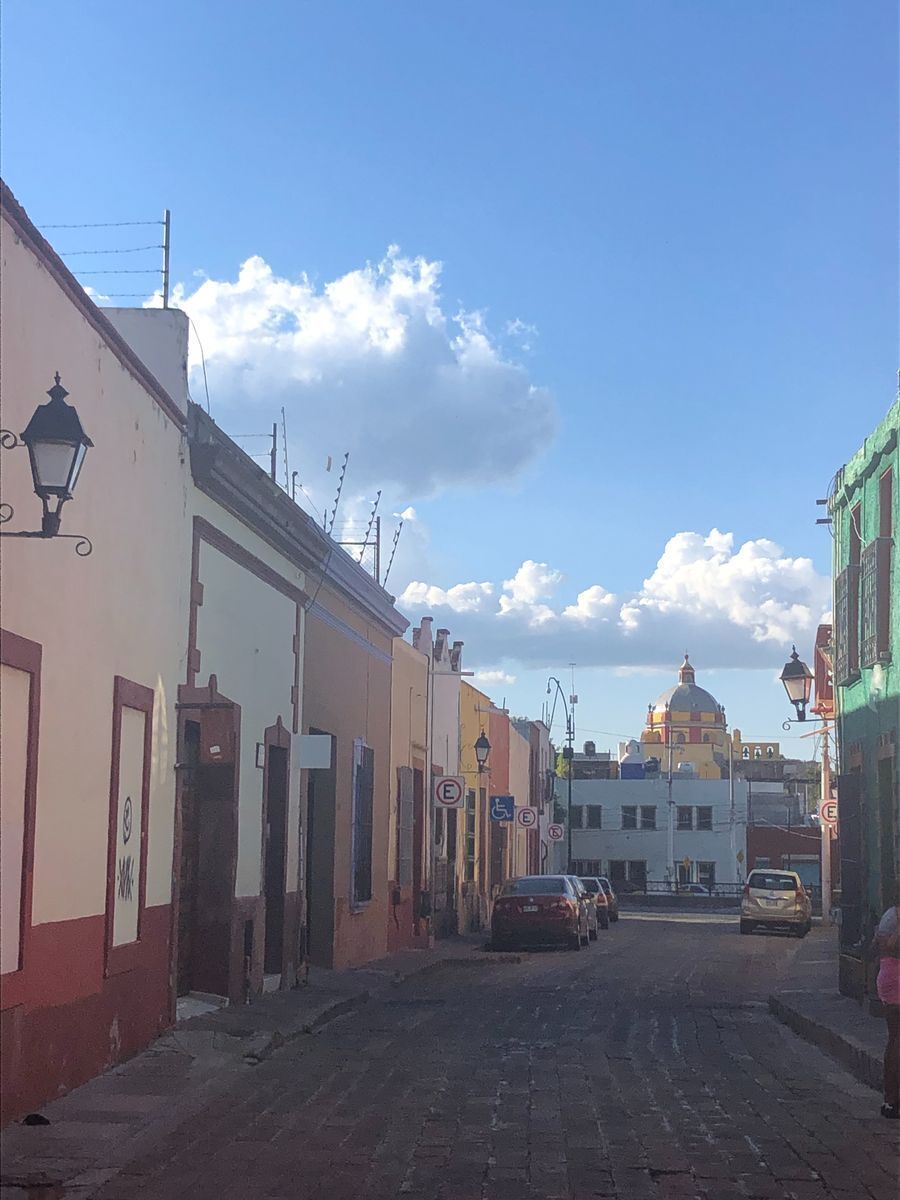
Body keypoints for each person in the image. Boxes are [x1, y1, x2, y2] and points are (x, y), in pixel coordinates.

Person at [874, 892, 900, 1119]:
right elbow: (890, 945)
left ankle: (890, 1099)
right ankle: (892, 1099)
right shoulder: (896, 918)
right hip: (896, 978)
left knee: (894, 1039)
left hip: (887, 977)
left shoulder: (888, 915)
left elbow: (877, 944)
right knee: (897, 1039)